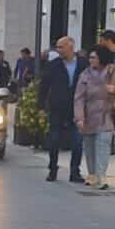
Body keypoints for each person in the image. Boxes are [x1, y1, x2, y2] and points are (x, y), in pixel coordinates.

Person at [75, 45, 115, 189]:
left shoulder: (114, 72)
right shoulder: (85, 74)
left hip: (106, 115)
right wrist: (79, 117)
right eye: (90, 57)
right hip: (88, 116)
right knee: (90, 147)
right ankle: (92, 174)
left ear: (101, 58)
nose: (90, 60)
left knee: (103, 146)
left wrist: (114, 89)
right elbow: (79, 98)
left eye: (94, 57)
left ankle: (101, 175)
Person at [41, 36, 84, 183]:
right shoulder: (53, 65)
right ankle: (53, 169)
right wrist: (41, 106)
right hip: (57, 108)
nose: (58, 50)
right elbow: (44, 86)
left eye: (61, 47)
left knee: (77, 141)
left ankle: (75, 171)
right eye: (57, 47)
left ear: (70, 47)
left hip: (76, 108)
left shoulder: (83, 64)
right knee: (54, 140)